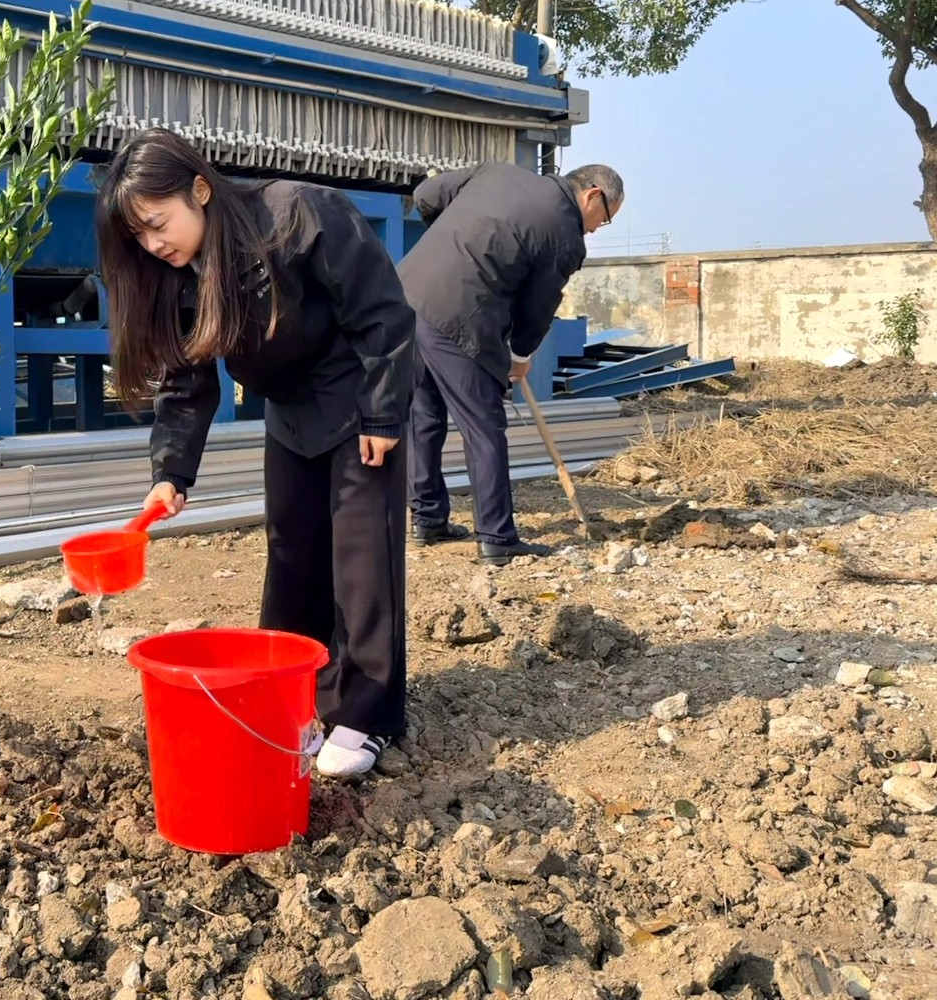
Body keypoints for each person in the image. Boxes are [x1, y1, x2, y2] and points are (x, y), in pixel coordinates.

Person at [95, 129, 414, 779]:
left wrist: (384, 410)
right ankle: (296, 690)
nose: (153, 245)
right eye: (139, 237)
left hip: (356, 396)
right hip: (290, 411)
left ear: (200, 190)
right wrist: (171, 471)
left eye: (158, 224)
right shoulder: (177, 277)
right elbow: (186, 382)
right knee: (292, 554)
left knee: (362, 558)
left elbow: (381, 310)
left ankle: (369, 713)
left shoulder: (297, 215)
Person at [397, 160, 624, 566]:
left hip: (405, 296)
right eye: (603, 219)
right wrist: (519, 358)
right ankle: (497, 538)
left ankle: (427, 519)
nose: (595, 229)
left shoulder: (498, 173)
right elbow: (536, 311)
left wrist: (455, 242)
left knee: (423, 415)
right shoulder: (564, 236)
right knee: (484, 426)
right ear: (593, 195)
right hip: (460, 315)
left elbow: (426, 195)